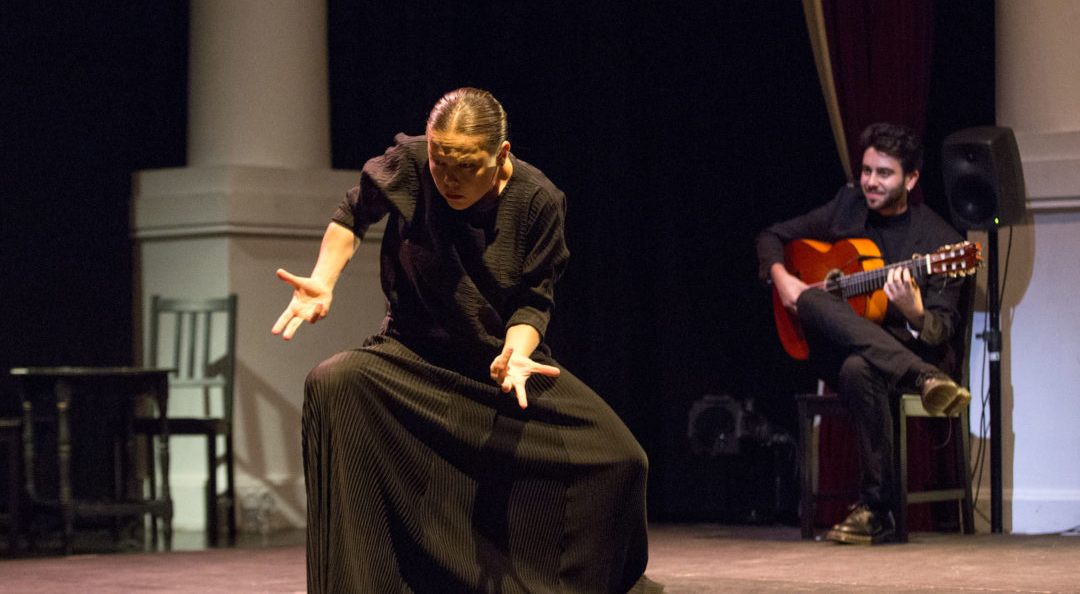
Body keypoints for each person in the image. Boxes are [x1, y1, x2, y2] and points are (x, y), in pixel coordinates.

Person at [272, 88, 662, 592]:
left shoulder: (538, 199)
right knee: (334, 382)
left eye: (465, 166)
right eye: (440, 163)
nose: (448, 179)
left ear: (500, 155)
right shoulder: (411, 163)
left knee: (621, 459)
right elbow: (353, 214)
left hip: (502, 364)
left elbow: (533, 300)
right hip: (411, 356)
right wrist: (324, 278)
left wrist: (517, 352)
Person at [755, 123, 972, 545]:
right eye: (867, 170)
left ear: (911, 179)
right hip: (868, 353)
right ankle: (921, 378)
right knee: (814, 301)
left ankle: (876, 509)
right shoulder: (847, 206)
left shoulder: (942, 243)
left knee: (858, 368)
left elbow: (943, 329)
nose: (871, 182)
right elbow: (771, 236)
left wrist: (914, 312)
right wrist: (783, 280)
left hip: (916, 348)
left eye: (884, 173)